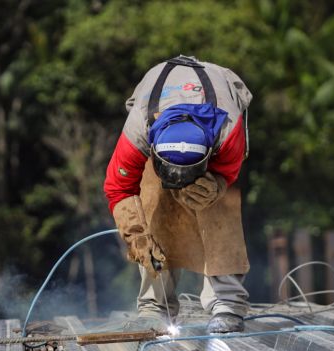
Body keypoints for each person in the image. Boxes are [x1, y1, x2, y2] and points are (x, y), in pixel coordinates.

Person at [104, 55, 252, 333]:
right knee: (151, 200)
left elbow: (230, 171)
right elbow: (118, 187)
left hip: (217, 110)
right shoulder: (139, 130)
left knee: (220, 204)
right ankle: (154, 305)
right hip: (158, 114)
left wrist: (218, 183)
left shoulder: (227, 131)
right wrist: (137, 236)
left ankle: (227, 304)